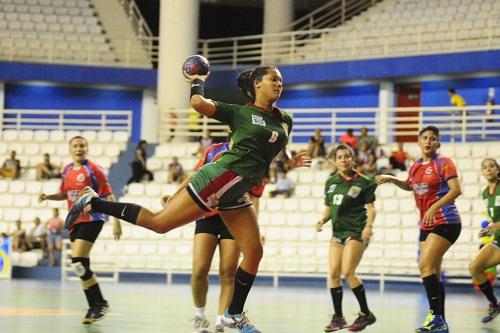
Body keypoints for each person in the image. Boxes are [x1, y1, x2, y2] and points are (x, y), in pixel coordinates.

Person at [64, 65, 311, 333]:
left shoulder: (285, 119)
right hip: (218, 178)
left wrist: (289, 160)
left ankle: (234, 313)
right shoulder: (240, 113)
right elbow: (198, 103)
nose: (279, 84)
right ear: (257, 84)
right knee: (159, 223)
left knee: (254, 252)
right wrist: (197, 80)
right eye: (273, 79)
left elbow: (278, 144)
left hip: (236, 191)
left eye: (281, 80)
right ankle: (94, 202)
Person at [376, 126, 462, 332]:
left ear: (438, 143)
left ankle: (436, 318)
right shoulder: (415, 166)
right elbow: (409, 185)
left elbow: (456, 190)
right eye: (425, 138)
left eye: (433, 139)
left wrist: (434, 206)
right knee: (433, 271)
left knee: (424, 266)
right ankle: (439, 321)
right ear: (419, 141)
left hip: (445, 221)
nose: (429, 141)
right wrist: (391, 178)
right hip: (426, 224)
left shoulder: (444, 163)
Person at [39, 135, 122, 324]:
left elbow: (109, 194)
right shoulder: (67, 170)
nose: (79, 149)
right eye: (75, 146)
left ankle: (100, 304)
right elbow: (64, 193)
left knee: (77, 261)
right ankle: (94, 306)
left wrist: (117, 222)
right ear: (70, 149)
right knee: (81, 266)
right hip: (75, 221)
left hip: (93, 218)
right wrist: (48, 196)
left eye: (82, 146)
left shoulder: (94, 170)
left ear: (87, 149)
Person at [316, 144, 377, 332]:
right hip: (337, 234)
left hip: (356, 232)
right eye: (340, 157)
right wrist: (322, 220)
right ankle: (339, 318)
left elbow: (372, 208)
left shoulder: (365, 182)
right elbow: (329, 208)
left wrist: (368, 226)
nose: (343, 160)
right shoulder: (331, 182)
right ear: (335, 161)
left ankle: (366, 314)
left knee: (348, 272)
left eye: (347, 156)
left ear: (353, 159)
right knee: (334, 274)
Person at [468, 158, 500, 324]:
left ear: (498, 169)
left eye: (491, 166)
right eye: (484, 167)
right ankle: (494, 304)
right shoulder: (486, 193)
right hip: (499, 241)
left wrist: (496, 225)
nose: (488, 169)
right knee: (474, 268)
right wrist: (488, 229)